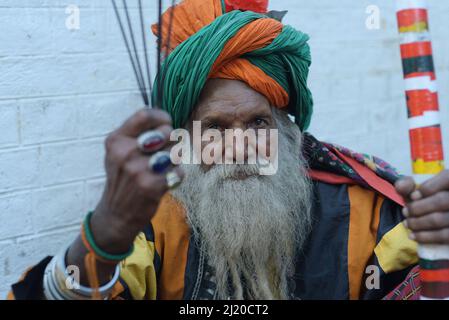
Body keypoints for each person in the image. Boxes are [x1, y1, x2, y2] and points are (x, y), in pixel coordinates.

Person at [9, 0, 449, 300]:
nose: (239, 148)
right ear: (185, 139)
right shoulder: (151, 224)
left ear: (288, 129)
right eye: (215, 127)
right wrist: (104, 235)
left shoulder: (365, 212)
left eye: (257, 123)